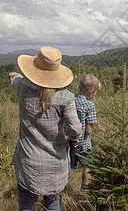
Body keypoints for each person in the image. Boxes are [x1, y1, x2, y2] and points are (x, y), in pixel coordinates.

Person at [9, 46, 82, 211]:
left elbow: (14, 77)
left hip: (27, 160)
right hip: (55, 163)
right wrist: (70, 139)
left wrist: (13, 74)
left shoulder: (22, 88)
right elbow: (76, 129)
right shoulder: (66, 97)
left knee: (26, 206)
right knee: (53, 204)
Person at [71, 74, 101, 193]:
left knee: (66, 166)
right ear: (91, 91)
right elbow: (88, 130)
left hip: (69, 142)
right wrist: (91, 130)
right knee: (87, 165)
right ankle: (84, 188)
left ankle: (61, 189)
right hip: (84, 144)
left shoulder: (70, 100)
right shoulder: (90, 105)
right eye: (95, 93)